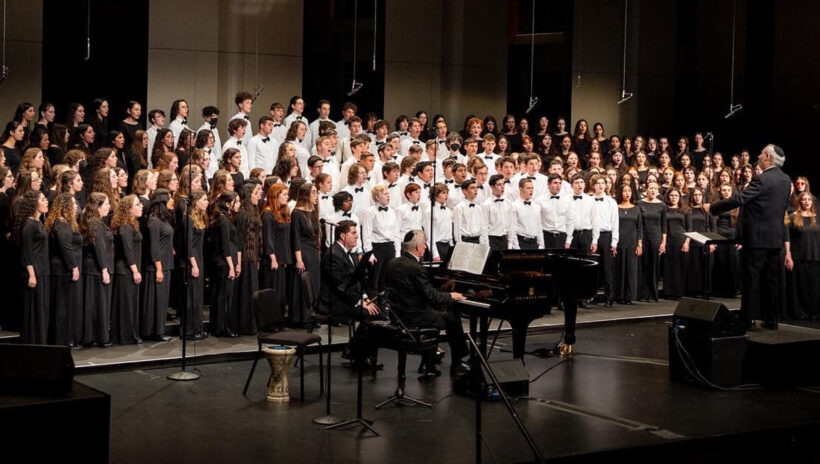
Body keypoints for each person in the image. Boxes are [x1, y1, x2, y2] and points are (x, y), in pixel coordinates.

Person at [711, 141, 790, 324]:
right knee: (772, 279)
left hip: (756, 239)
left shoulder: (762, 179)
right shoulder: (786, 180)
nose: (759, 157)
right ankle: (771, 320)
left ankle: (747, 318)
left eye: (762, 154)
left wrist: (713, 207)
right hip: (775, 238)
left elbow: (740, 198)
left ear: (768, 158)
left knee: (751, 279)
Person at [384, 229, 469, 376]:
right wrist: (451, 295)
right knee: (452, 318)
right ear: (417, 247)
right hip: (414, 316)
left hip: (397, 315)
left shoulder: (393, 262)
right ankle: (457, 363)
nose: (425, 247)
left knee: (437, 312)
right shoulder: (417, 268)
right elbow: (432, 296)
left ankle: (429, 363)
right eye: (424, 244)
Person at [46, 193, 83, 347]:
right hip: (62, 269)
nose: (75, 207)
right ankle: (62, 340)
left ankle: (66, 338)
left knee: (65, 305)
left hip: (62, 268)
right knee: (62, 306)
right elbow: (65, 247)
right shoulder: (62, 224)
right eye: (73, 204)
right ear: (66, 206)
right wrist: (73, 266)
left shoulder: (63, 223)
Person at [16, 191, 50, 344]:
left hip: (43, 270)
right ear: (35, 204)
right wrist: (32, 274)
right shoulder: (29, 225)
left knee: (41, 309)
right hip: (34, 272)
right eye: (43, 199)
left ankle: (41, 342)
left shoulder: (39, 222)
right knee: (33, 310)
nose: (46, 201)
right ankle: (32, 343)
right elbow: (26, 252)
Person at [141, 188, 174, 342]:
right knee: (156, 299)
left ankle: (158, 329)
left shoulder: (163, 219)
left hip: (166, 263)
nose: (173, 200)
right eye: (170, 198)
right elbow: (154, 247)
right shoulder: (153, 220)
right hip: (157, 266)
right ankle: (154, 331)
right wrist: (159, 269)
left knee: (162, 300)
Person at [111, 194, 143, 345]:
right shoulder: (124, 226)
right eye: (137, 204)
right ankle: (125, 336)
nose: (141, 206)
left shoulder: (132, 224)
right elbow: (127, 250)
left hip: (130, 269)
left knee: (131, 303)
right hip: (125, 270)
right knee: (126, 304)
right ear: (129, 209)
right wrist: (135, 270)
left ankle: (130, 333)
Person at [209, 191, 240, 337]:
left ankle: (220, 326)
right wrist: (232, 267)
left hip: (224, 263)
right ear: (228, 204)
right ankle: (221, 327)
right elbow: (225, 246)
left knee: (222, 295)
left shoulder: (224, 219)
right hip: (224, 263)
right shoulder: (223, 220)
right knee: (223, 296)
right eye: (236, 202)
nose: (239, 204)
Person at [784, 192, 820, 321]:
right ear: (799, 202)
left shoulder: (817, 217)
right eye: (804, 199)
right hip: (799, 256)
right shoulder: (792, 216)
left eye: (809, 199)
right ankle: (799, 312)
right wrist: (788, 255)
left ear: (812, 202)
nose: (806, 201)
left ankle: (813, 311)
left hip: (815, 256)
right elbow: (786, 237)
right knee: (800, 287)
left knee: (814, 287)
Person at [291, 182, 321, 328]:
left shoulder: (313, 211)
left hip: (314, 252)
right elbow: (295, 237)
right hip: (304, 252)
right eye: (314, 192)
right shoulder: (297, 213)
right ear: (306, 195)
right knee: (304, 284)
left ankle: (311, 315)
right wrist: (298, 259)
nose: (317, 195)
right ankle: (302, 318)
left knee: (314, 284)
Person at [613, 184, 643, 304]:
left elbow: (640, 228)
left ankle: (629, 296)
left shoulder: (636, 209)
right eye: (624, 191)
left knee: (631, 270)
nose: (627, 193)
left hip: (632, 243)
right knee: (619, 269)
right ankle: (619, 296)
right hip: (619, 242)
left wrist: (639, 245)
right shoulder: (616, 207)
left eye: (629, 191)